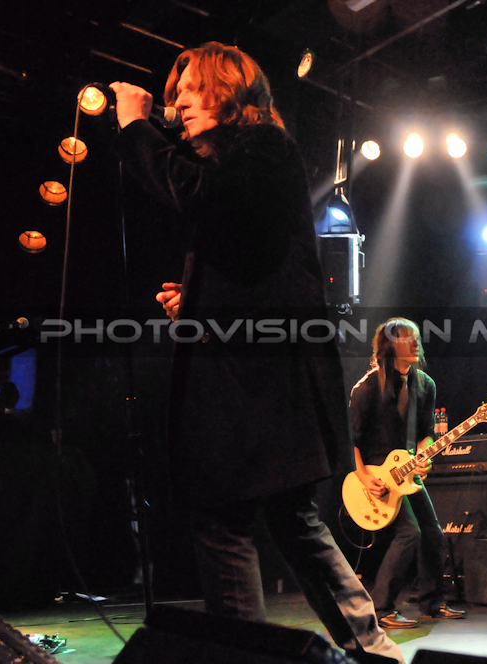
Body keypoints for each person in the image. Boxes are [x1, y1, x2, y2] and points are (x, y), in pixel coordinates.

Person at [110, 42, 403, 664]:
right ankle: (373, 651)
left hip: (264, 382)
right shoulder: (242, 165)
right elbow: (252, 267)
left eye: (191, 88)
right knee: (287, 520)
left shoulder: (265, 148)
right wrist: (198, 302)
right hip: (259, 376)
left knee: (226, 522)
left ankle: (279, 655)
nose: (178, 102)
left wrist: (135, 127)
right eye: (174, 94)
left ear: (228, 91)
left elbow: (197, 194)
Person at [349, 318, 465, 629]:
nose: (415, 343)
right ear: (390, 346)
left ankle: (432, 603)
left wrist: (424, 458)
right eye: (407, 338)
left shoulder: (425, 384)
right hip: (376, 476)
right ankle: (381, 608)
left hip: (406, 473)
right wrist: (364, 478)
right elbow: (351, 442)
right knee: (409, 533)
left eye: (416, 338)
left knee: (433, 533)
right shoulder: (366, 388)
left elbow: (426, 434)